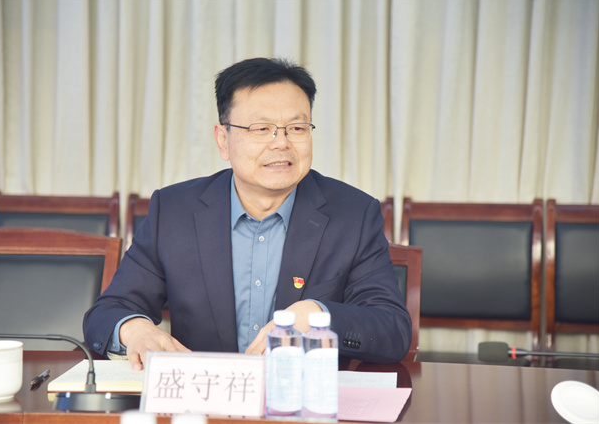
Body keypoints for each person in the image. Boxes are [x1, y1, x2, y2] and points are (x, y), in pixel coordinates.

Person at [83, 57, 412, 370]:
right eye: (261, 129)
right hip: (203, 398)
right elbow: (109, 311)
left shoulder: (353, 215)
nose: (281, 143)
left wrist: (316, 315)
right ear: (223, 140)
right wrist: (135, 330)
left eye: (297, 128)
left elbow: (392, 329)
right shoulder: (174, 211)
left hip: (302, 398)